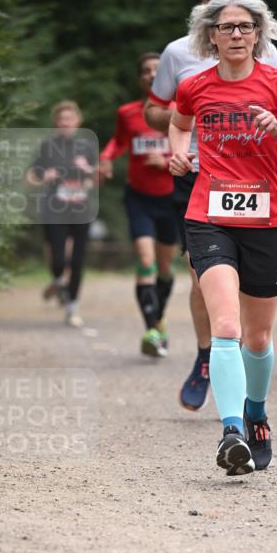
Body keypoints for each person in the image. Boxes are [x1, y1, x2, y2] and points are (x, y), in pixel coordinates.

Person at [168, 0, 277, 475]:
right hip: (209, 215)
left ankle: (256, 412)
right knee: (227, 328)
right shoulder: (194, 86)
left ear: (258, 35)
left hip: (266, 222)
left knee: (257, 338)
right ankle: (232, 431)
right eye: (226, 27)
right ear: (211, 37)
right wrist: (179, 153)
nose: (236, 34)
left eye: (245, 27)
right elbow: (178, 126)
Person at [145, 0, 277, 409]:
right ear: (205, 3)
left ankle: (238, 350)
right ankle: (210, 354)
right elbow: (156, 111)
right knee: (201, 273)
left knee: (252, 290)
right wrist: (184, 134)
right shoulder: (177, 53)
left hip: (253, 178)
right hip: (199, 174)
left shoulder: (268, 53)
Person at [99, 53, 177, 359]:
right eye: (146, 71)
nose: (151, 75)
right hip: (139, 197)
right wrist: (105, 158)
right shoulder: (128, 113)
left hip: (171, 199)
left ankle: (159, 319)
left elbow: (198, 149)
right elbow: (118, 142)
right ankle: (151, 332)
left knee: (165, 267)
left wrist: (167, 161)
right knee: (146, 260)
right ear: (140, 79)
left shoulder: (181, 111)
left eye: (157, 71)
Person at [26, 100, 97, 327]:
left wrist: (89, 172)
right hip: (54, 209)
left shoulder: (87, 147)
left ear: (78, 122)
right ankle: (58, 280)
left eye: (70, 119)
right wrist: (42, 177)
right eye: (61, 119)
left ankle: (72, 308)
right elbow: (31, 177)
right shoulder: (47, 146)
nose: (65, 123)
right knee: (58, 258)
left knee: (77, 260)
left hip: (80, 209)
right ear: (56, 123)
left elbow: (97, 178)